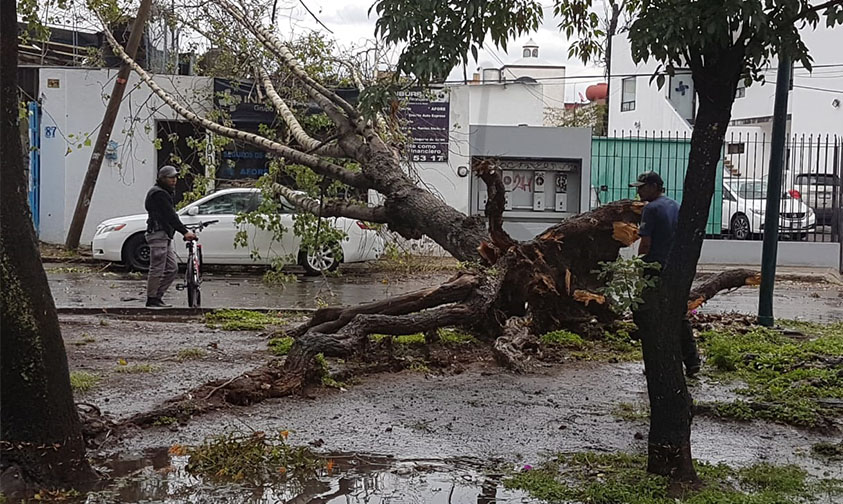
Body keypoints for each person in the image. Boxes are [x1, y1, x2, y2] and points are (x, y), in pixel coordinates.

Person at [629, 171, 701, 377]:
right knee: (677, 314)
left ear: (653, 186)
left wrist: (638, 264)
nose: (639, 192)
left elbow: (646, 242)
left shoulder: (651, 209)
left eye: (642, 187)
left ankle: (657, 363)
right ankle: (692, 361)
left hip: (654, 267)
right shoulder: (674, 205)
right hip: (674, 267)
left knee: (649, 315)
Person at [144, 165, 195, 308]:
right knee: (157, 268)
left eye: (175, 177)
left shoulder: (164, 192)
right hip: (158, 234)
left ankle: (157, 297)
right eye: (171, 177)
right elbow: (170, 215)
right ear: (162, 178)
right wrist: (184, 232)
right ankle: (152, 299)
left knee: (172, 268)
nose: (174, 180)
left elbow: (171, 216)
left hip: (164, 235)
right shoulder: (159, 194)